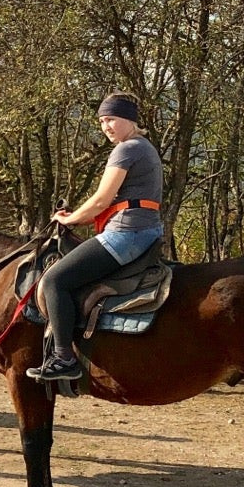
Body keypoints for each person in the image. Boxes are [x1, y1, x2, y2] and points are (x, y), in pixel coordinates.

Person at [28, 93, 164, 384]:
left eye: (111, 119)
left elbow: (102, 201)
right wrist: (76, 215)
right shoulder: (144, 147)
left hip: (126, 234)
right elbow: (108, 205)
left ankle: (64, 358)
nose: (106, 126)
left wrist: (68, 218)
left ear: (130, 120)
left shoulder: (127, 149)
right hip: (143, 230)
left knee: (54, 281)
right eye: (102, 121)